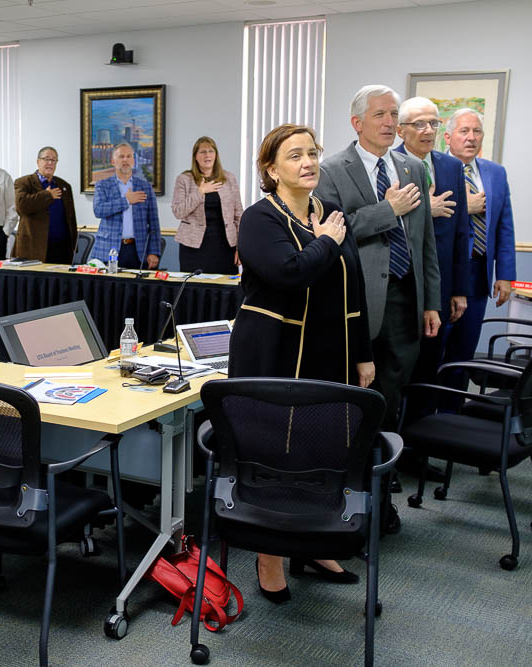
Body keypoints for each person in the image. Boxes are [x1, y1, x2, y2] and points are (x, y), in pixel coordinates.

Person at [230, 123, 374, 603]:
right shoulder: (258, 219)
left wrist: (364, 355)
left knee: (322, 452)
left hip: (328, 353)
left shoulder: (330, 213)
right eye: (295, 156)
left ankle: (311, 546)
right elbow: (290, 275)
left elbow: (353, 285)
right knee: (274, 456)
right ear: (271, 169)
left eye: (313, 153)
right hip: (271, 354)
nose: (309, 162)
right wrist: (327, 242)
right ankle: (268, 556)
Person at [315, 85, 440, 430]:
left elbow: (425, 240)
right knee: (355, 384)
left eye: (394, 115)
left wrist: (431, 302)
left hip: (405, 296)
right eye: (380, 114)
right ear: (357, 122)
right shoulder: (331, 170)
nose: (389, 123)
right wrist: (388, 210)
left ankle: (381, 461)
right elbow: (333, 232)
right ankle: (351, 461)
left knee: (394, 385)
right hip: (359, 298)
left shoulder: (413, 167)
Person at [393, 97, 471, 416]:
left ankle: (420, 451)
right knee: (396, 367)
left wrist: (459, 289)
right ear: (401, 130)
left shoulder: (451, 166)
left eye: (434, 123)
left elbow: (461, 231)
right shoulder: (388, 163)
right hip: (401, 283)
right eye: (420, 124)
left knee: (430, 364)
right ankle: (389, 446)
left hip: (440, 283)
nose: (429, 130)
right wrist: (427, 208)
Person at [441, 108, 516, 375]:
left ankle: (454, 412)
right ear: (448, 137)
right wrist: (465, 206)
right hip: (444, 272)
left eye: (477, 131)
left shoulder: (495, 173)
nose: (471, 138)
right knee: (436, 350)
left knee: (464, 351)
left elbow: (505, 227)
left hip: (479, 273)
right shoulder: (433, 169)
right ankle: (424, 414)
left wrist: (506, 275)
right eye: (464, 131)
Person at [171, 137, 242, 273]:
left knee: (224, 290)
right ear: (196, 156)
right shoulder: (184, 179)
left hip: (225, 245)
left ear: (216, 155)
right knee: (195, 289)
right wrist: (200, 191)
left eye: (211, 151)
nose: (207, 155)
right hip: (193, 246)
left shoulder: (229, 178)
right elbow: (178, 211)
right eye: (203, 152)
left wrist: (241, 248)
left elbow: (239, 214)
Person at [89, 143, 161, 269]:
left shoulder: (145, 187)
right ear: (113, 161)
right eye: (121, 156)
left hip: (137, 250)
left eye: (129, 156)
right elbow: (98, 210)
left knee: (136, 288)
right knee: (108, 288)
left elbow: (154, 223)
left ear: (133, 161)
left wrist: (154, 252)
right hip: (108, 250)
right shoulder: (102, 185)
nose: (125, 160)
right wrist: (126, 201)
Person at [13, 146, 77, 263]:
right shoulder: (24, 182)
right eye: (46, 159)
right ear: (38, 162)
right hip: (33, 248)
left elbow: (71, 217)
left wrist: (74, 245)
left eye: (53, 160)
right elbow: (22, 206)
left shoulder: (64, 185)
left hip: (61, 249)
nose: (50, 163)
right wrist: (47, 195)